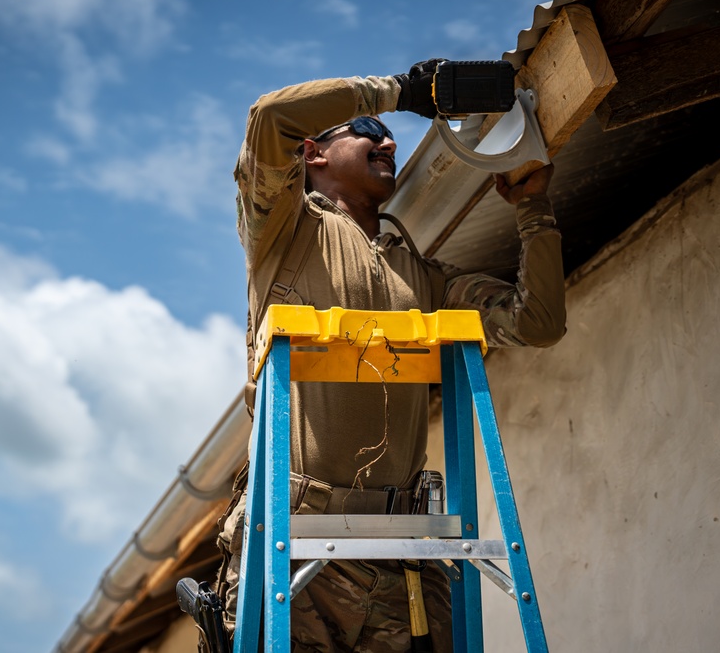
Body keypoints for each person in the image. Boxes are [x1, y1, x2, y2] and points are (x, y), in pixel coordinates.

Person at [215, 59, 566, 652]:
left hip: (401, 552)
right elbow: (269, 117)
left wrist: (534, 211)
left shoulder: (421, 277)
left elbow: (538, 323)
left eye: (387, 132)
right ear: (313, 154)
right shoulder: (281, 230)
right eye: (367, 131)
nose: (390, 140)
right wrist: (401, 93)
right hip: (296, 542)